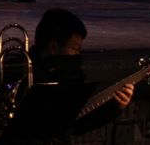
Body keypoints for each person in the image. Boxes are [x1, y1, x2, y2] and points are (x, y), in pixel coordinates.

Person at [22, 8, 134, 142]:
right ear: (53, 47)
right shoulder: (23, 72)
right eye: (75, 48)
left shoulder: (70, 72)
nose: (77, 54)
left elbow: (77, 124)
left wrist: (115, 107)